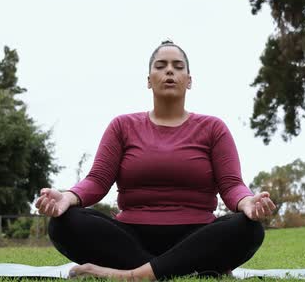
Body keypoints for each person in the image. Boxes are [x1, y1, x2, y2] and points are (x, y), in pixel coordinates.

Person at [35, 40, 276, 281]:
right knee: (64, 222)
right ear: (149, 80)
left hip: (197, 234)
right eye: (160, 66)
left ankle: (133, 276)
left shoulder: (213, 128)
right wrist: (66, 197)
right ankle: (189, 267)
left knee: (248, 228)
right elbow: (97, 180)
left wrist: (247, 203)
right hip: (130, 237)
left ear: (189, 80)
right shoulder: (122, 126)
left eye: (177, 66)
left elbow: (232, 184)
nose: (169, 71)